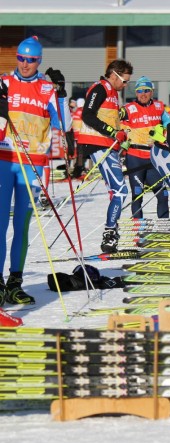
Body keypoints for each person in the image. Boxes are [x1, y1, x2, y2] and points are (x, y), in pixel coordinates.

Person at [0, 36, 71, 307]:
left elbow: (63, 125)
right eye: (21, 58)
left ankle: (15, 282)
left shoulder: (46, 88)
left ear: (38, 61)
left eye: (30, 60)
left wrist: (62, 93)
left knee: (22, 226)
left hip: (32, 164)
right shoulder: (4, 83)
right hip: (4, 162)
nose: (25, 64)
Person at [78, 59, 133, 253]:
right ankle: (110, 233)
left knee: (116, 191)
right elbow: (87, 115)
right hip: (97, 144)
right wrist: (112, 132)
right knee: (120, 191)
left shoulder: (113, 94)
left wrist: (121, 134)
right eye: (124, 81)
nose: (125, 85)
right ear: (113, 74)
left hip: (109, 145)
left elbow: (109, 119)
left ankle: (111, 233)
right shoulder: (100, 88)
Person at [120, 76, 170, 219]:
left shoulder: (159, 107)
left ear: (152, 92)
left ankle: (164, 228)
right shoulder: (128, 109)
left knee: (163, 194)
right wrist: (121, 135)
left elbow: (169, 123)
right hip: (135, 157)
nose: (143, 94)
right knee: (137, 194)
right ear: (136, 93)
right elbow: (115, 120)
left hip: (153, 159)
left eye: (147, 90)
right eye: (140, 91)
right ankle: (139, 230)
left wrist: (162, 133)